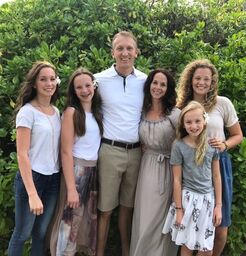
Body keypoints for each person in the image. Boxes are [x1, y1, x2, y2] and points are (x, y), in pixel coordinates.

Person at [176, 59, 243, 256]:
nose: (202, 83)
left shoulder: (223, 103)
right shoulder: (182, 107)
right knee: (190, 225)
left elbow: (237, 135)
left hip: (218, 166)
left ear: (212, 81)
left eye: (207, 79)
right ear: (190, 80)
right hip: (190, 168)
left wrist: (225, 144)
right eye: (197, 78)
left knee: (220, 226)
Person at [94, 30, 147, 256]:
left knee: (128, 207)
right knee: (105, 210)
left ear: (136, 52)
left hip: (137, 153)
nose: (124, 53)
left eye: (129, 48)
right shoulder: (98, 80)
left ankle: (127, 252)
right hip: (109, 151)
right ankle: (99, 252)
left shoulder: (146, 81)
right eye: (119, 48)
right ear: (112, 52)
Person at [8, 61, 61, 256]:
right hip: (32, 179)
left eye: (52, 79)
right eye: (43, 79)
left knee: (40, 233)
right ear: (35, 84)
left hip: (53, 179)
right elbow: (22, 154)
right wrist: (32, 193)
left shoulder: (56, 112)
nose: (49, 83)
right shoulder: (27, 112)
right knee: (22, 234)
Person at [49, 68, 103, 256]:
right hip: (77, 171)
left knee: (85, 224)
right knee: (69, 222)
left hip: (93, 172)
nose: (85, 90)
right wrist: (71, 188)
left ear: (94, 86)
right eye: (79, 87)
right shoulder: (72, 112)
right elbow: (65, 151)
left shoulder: (97, 113)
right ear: (74, 91)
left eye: (88, 85)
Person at [129, 69, 180, 256]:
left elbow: (189, 141)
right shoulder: (141, 111)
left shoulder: (174, 114)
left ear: (168, 89)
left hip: (168, 168)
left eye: (163, 84)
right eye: (155, 83)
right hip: (145, 167)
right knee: (143, 216)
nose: (158, 87)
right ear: (149, 84)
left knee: (159, 218)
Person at [162, 100, 222, 256]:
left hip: (208, 201)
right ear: (183, 124)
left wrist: (218, 206)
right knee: (187, 246)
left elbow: (216, 176)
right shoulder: (179, 146)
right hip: (188, 200)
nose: (193, 126)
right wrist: (179, 209)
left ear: (204, 120)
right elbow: (176, 179)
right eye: (188, 122)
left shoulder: (212, 144)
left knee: (206, 249)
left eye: (197, 121)